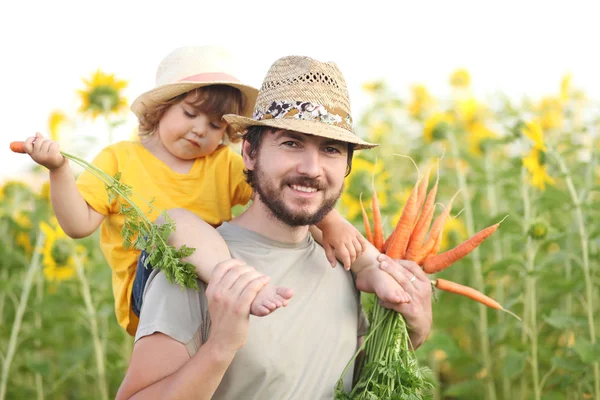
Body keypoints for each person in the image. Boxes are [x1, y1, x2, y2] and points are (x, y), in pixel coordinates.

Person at [116, 55, 433, 399]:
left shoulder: (343, 265)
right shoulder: (194, 265)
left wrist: (412, 333)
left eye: (330, 149)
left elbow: (351, 384)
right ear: (250, 153)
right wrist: (220, 347)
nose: (311, 168)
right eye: (291, 143)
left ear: (346, 166)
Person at [21, 45, 375, 336]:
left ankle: (375, 272)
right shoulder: (120, 159)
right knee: (176, 222)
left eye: (214, 125)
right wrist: (58, 170)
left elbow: (281, 194)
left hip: (210, 282)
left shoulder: (221, 162)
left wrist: (332, 223)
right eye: (190, 113)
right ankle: (244, 285)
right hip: (155, 282)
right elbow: (78, 224)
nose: (199, 131)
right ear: (160, 110)